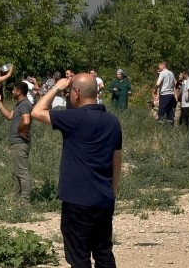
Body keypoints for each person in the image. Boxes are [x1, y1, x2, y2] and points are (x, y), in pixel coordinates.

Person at [31, 73, 122, 268]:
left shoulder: (72, 118)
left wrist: (56, 87)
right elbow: (117, 161)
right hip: (103, 198)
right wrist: (112, 192)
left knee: (78, 257)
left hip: (77, 201)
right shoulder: (113, 122)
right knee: (104, 253)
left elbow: (37, 111)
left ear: (76, 93)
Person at [0, 81, 33, 203]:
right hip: (16, 143)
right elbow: (9, 116)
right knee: (17, 172)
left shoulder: (25, 105)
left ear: (19, 91)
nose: (12, 91)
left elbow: (26, 121)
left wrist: (21, 131)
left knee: (22, 172)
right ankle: (17, 199)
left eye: (14, 90)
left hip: (20, 143)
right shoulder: (19, 105)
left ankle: (25, 201)